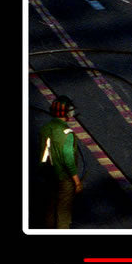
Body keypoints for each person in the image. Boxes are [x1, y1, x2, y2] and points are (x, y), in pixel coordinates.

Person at [39, 95, 83, 228]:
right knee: (63, 212)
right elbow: (68, 159)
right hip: (64, 177)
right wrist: (76, 181)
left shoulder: (45, 128)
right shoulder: (66, 133)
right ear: (67, 113)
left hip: (48, 174)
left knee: (50, 209)